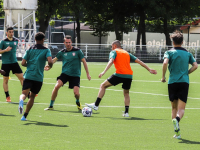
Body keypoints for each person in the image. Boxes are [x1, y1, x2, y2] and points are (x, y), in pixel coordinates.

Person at [86, 40, 157, 117]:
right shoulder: (126, 53)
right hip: (129, 76)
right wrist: (149, 69)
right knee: (126, 93)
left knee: (103, 85)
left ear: (115, 46)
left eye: (111, 46)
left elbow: (111, 61)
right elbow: (139, 61)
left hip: (119, 74)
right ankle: (126, 113)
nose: (111, 48)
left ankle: (96, 105)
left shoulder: (114, 51)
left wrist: (103, 72)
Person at [161, 30, 198, 139]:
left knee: (174, 108)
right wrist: (187, 72)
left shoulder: (169, 52)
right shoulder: (188, 53)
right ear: (182, 42)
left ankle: (177, 133)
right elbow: (195, 66)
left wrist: (163, 76)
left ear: (172, 42)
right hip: (184, 82)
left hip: (172, 82)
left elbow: (165, 63)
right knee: (181, 109)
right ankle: (177, 120)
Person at [44, 35, 91, 111]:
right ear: (64, 43)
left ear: (71, 42)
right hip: (65, 74)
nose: (68, 44)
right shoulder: (62, 52)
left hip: (75, 75)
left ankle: (77, 101)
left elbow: (84, 62)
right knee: (56, 86)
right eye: (66, 42)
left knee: (76, 94)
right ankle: (51, 106)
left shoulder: (77, 51)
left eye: (69, 42)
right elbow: (55, 59)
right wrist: (49, 65)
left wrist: (87, 74)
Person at [19, 32, 53, 121]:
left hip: (28, 75)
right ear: (43, 40)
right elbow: (50, 61)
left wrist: (29, 65)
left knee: (24, 94)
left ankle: (21, 100)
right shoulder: (46, 50)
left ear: (35, 40)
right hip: (38, 77)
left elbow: (23, 63)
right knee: (32, 96)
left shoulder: (30, 49)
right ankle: (24, 116)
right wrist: (50, 66)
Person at [0, 27, 24, 102]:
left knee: (22, 78)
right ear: (7, 33)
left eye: (12, 32)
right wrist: (5, 50)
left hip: (14, 62)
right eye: (10, 32)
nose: (11, 33)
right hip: (5, 63)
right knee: (5, 80)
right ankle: (7, 96)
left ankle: (26, 93)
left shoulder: (16, 41)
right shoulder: (3, 42)